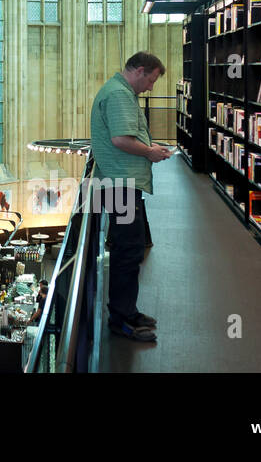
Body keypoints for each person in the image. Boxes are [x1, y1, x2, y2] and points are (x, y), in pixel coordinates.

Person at [89, 51, 174, 343]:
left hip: (120, 182)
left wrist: (152, 146)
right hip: (119, 184)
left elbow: (128, 136)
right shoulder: (119, 95)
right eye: (150, 80)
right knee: (128, 251)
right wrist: (150, 152)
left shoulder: (119, 91)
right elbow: (121, 140)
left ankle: (128, 310)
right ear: (138, 71)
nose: (150, 88)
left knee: (131, 249)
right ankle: (121, 320)